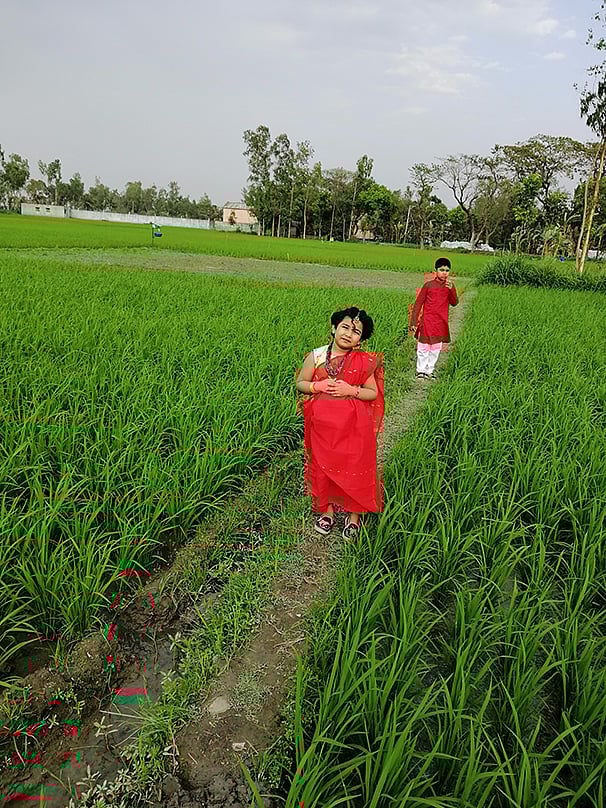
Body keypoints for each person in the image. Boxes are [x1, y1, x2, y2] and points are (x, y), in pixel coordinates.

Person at [296, 308, 384, 540]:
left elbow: (372, 393)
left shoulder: (363, 362)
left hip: (355, 427)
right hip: (322, 427)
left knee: (355, 466)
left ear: (360, 340)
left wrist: (351, 390)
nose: (348, 334)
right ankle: (327, 511)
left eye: (356, 332)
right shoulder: (316, 356)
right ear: (334, 328)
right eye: (345, 327)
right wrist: (317, 386)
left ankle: (354, 515)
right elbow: (301, 383)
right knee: (323, 466)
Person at [409, 256, 459, 379]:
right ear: (435, 271)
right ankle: (420, 370)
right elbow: (418, 304)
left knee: (436, 348)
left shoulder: (449, 287)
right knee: (423, 347)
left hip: (440, 323)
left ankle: (429, 370)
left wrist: (452, 289)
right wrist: (413, 322)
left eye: (447, 270)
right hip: (427, 321)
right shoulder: (428, 285)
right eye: (441, 270)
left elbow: (454, 303)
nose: (444, 273)